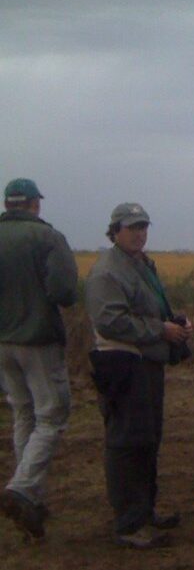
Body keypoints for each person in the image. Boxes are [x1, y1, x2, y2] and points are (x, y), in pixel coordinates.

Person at [84, 203, 191, 548]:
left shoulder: (141, 264)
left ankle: (144, 511)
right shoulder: (107, 271)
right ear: (114, 231)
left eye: (143, 226)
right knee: (127, 442)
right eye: (132, 227)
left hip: (145, 362)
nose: (140, 233)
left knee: (147, 438)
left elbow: (147, 307)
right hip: (121, 363)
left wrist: (172, 320)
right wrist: (160, 329)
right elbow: (110, 321)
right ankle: (130, 524)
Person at [0, 178, 77, 539]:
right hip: (39, 338)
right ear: (34, 204)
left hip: (3, 341)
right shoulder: (47, 238)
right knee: (52, 415)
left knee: (23, 412)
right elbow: (63, 291)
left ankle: (29, 493)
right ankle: (22, 487)